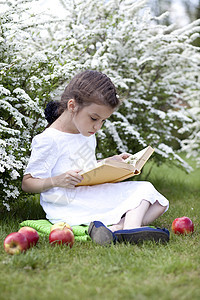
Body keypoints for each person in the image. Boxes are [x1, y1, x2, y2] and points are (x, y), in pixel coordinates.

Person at [22, 70, 169, 245]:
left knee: (156, 199)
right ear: (72, 106)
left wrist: (110, 162)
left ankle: (117, 230)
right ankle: (130, 230)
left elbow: (85, 168)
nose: (98, 126)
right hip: (65, 203)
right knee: (143, 195)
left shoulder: (86, 132)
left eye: (103, 121)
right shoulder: (48, 139)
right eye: (94, 118)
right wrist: (57, 181)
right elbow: (27, 183)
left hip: (88, 192)